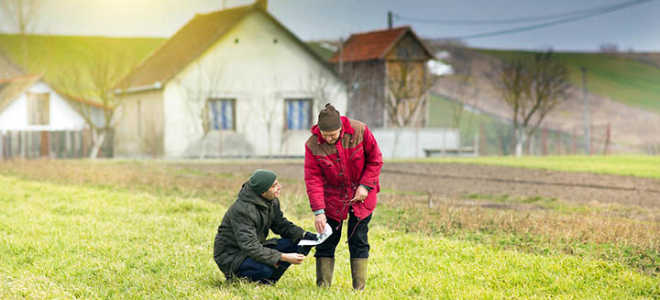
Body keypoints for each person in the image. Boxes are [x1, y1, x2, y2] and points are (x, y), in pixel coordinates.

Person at [304, 103, 383, 290]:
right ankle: (323, 287)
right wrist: (318, 211)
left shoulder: (360, 131)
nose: (329, 139)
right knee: (326, 239)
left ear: (341, 128)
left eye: (333, 134)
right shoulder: (312, 145)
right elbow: (312, 179)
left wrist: (365, 186)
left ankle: (359, 288)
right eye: (326, 135)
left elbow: (375, 159)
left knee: (358, 239)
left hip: (361, 196)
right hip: (332, 199)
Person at [213, 169, 318, 284]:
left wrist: (304, 235)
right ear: (262, 192)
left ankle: (269, 279)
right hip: (233, 257)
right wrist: (284, 257)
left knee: (299, 242)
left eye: (278, 183)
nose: (279, 187)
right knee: (264, 270)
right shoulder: (243, 210)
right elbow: (250, 246)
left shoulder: (271, 200)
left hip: (255, 248)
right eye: (274, 186)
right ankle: (239, 278)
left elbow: (281, 225)